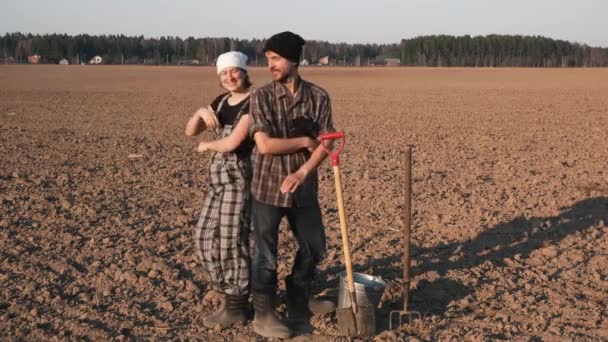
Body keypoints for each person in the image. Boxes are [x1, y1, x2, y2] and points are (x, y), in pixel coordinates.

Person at [185, 51, 318, 329]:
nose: (229, 77)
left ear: (245, 72)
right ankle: (229, 291)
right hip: (219, 180)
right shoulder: (221, 101)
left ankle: (237, 303)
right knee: (203, 237)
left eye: (234, 71)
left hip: (241, 179)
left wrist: (208, 146)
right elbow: (190, 131)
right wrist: (199, 113)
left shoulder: (255, 102)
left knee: (232, 241)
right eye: (223, 73)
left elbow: (233, 142)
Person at [248, 31, 337, 338]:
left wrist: (302, 173)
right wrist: (303, 140)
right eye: (268, 59)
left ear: (293, 60)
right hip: (268, 187)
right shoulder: (261, 97)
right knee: (265, 253)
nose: (270, 65)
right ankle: (264, 313)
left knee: (314, 247)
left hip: (304, 189)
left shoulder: (319, 97)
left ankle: (299, 299)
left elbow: (326, 144)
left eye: (276, 58)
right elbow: (265, 145)